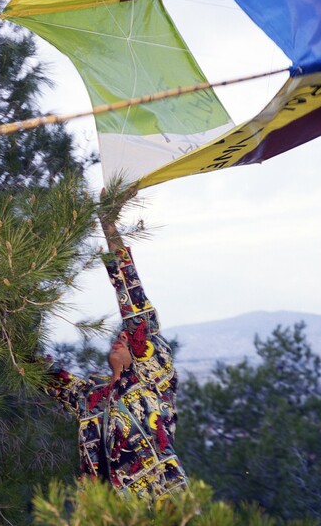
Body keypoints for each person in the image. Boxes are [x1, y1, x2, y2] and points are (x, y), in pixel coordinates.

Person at [45, 201, 188, 501]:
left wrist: (108, 225)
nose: (121, 337)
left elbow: (134, 307)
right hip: (110, 513)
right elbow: (42, 375)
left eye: (128, 337)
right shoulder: (90, 396)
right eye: (118, 335)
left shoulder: (153, 379)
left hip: (163, 503)